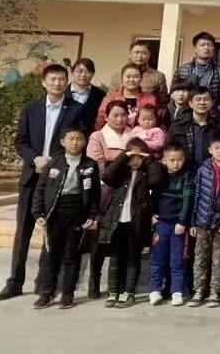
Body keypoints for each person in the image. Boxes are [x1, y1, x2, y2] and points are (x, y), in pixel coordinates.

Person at [0, 63, 83, 302]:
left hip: (57, 179)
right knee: (23, 231)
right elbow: (20, 141)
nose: (57, 83)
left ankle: (44, 283)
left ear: (67, 82)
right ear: (44, 82)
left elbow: (75, 141)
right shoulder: (30, 109)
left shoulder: (76, 110)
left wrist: (53, 162)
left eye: (61, 79)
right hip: (31, 177)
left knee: (52, 232)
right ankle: (15, 282)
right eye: (52, 79)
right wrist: (35, 159)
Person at [31, 125, 101, 309]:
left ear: (85, 142)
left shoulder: (90, 165)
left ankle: (68, 294)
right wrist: (38, 212)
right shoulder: (54, 162)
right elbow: (41, 189)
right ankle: (47, 292)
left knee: (71, 254)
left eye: (79, 139)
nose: (75, 143)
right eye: (71, 139)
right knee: (51, 254)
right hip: (54, 213)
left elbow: (95, 193)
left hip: (77, 214)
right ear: (63, 141)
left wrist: (92, 214)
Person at [99, 138, 159, 308]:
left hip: (137, 222)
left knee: (133, 258)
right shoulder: (120, 173)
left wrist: (150, 159)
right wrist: (124, 157)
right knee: (115, 257)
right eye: (133, 156)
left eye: (139, 157)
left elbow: (156, 180)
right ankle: (113, 292)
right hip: (116, 221)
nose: (136, 160)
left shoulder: (146, 173)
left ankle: (129, 292)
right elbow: (106, 176)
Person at [86, 100, 135, 298]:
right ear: (106, 117)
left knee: (122, 238)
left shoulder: (134, 135)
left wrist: (113, 162)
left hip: (129, 190)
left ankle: (119, 284)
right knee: (100, 239)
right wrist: (122, 162)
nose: (119, 119)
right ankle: (94, 281)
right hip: (104, 191)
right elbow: (97, 164)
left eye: (123, 115)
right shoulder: (98, 136)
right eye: (115, 115)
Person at [188, 133, 220, 308]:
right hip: (203, 220)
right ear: (210, 150)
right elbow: (196, 195)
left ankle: (215, 292)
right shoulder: (203, 169)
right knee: (200, 258)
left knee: (219, 259)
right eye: (216, 148)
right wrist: (193, 221)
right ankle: (198, 291)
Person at [148, 142, 194, 306]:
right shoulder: (159, 176)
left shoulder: (187, 176)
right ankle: (155, 290)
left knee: (177, 259)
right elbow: (152, 196)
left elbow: (188, 199)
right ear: (164, 160)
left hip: (177, 225)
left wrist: (182, 221)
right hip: (160, 223)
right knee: (157, 259)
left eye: (179, 160)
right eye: (172, 160)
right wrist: (152, 213)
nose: (176, 163)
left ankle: (177, 292)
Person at [175, 31, 220, 102]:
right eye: (202, 45)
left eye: (210, 45)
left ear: (213, 48)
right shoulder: (182, 70)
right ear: (195, 49)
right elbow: (174, 92)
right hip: (188, 108)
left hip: (214, 108)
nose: (206, 48)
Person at [171, 86, 220, 167]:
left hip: (211, 170)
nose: (202, 102)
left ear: (211, 103)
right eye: (198, 99)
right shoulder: (178, 126)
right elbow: (169, 150)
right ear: (190, 103)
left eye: (206, 99)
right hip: (185, 170)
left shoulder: (219, 126)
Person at [96, 64, 159, 131]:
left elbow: (157, 121)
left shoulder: (151, 99)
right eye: (128, 76)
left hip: (143, 136)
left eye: (136, 76)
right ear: (122, 79)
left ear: (141, 78)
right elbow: (100, 121)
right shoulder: (110, 99)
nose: (131, 79)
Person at [109, 40, 169, 104]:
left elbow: (163, 102)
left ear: (149, 55)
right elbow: (110, 99)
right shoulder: (118, 75)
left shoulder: (158, 76)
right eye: (136, 52)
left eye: (143, 53)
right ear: (130, 54)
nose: (140, 56)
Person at [68, 57, 106, 132]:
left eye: (87, 71)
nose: (83, 75)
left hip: (89, 136)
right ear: (72, 72)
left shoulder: (100, 95)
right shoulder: (62, 92)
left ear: (93, 74)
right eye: (80, 71)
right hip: (63, 136)